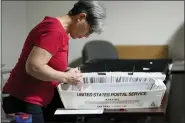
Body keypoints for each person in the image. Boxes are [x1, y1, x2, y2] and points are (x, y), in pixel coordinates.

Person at [2, 0, 106, 123]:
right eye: (89, 30)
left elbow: (47, 63)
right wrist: (66, 77)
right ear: (81, 17)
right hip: (24, 100)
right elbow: (34, 67)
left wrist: (67, 71)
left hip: (34, 99)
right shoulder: (54, 31)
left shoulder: (60, 30)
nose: (87, 35)